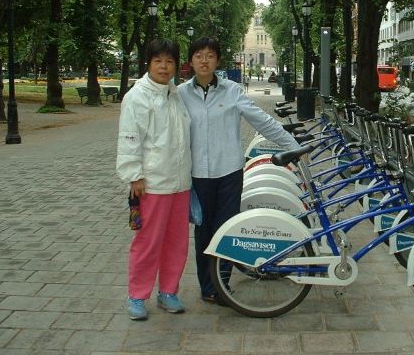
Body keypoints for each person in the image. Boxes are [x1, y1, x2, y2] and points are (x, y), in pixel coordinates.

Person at [178, 36, 301, 304]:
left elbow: (262, 121)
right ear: (190, 61)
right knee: (203, 231)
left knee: (227, 228)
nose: (204, 61)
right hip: (197, 174)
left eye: (210, 55)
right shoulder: (180, 94)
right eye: (198, 55)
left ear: (217, 61)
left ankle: (221, 285)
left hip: (229, 172)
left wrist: (293, 146)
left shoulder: (232, 91)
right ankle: (207, 287)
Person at [116, 39, 192, 320]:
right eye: (158, 60)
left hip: (180, 184)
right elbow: (129, 137)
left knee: (176, 243)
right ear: (148, 63)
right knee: (148, 242)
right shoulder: (137, 97)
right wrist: (134, 175)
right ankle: (137, 295)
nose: (164, 66)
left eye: (169, 61)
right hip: (152, 185)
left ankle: (168, 291)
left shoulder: (175, 94)